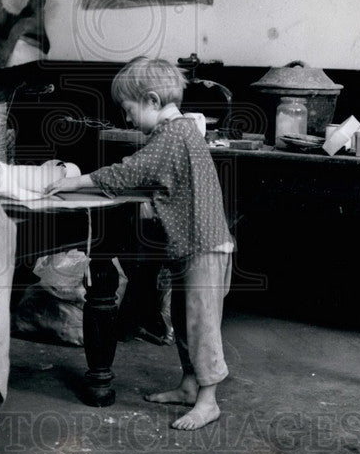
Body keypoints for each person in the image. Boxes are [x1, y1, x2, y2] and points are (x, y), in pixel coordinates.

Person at [45, 57, 234, 431]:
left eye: (128, 110)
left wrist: (76, 181)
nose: (126, 118)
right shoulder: (176, 133)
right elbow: (146, 173)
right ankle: (189, 385)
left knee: (201, 324)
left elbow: (130, 170)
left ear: (150, 100)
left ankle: (208, 401)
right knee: (183, 318)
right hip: (192, 245)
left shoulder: (174, 135)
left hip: (205, 247)